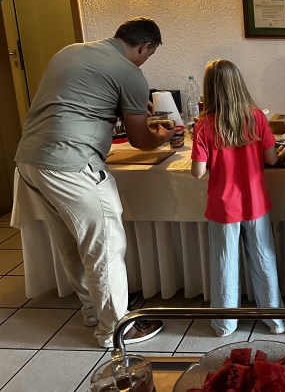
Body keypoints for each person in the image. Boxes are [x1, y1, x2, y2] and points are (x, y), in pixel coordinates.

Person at [14, 17, 174, 348]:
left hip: (29, 159)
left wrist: (128, 105)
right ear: (144, 47)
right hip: (71, 163)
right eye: (150, 55)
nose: (146, 61)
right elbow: (141, 140)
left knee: (71, 243)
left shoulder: (70, 51)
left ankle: (93, 312)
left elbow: (76, 100)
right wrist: (162, 136)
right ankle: (116, 329)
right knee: (105, 244)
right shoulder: (129, 73)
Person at [190, 59, 285, 337]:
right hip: (255, 202)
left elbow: (197, 172)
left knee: (225, 263)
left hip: (223, 206)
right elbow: (272, 158)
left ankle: (225, 324)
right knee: (264, 260)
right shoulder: (256, 117)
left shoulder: (204, 126)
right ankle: (275, 320)